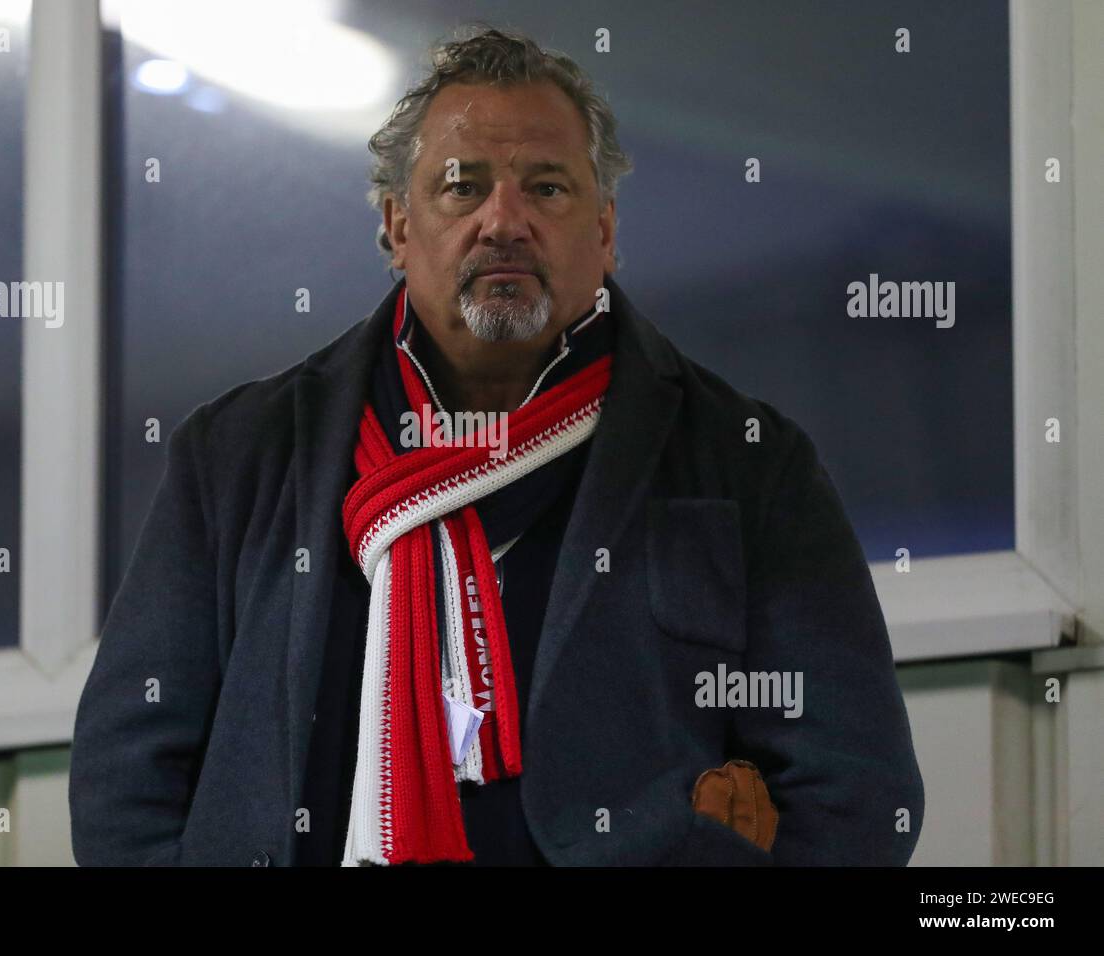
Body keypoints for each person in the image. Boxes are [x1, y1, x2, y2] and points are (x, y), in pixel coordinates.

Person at [69, 25, 924, 867]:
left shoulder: (747, 463)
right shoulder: (238, 458)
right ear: (399, 227)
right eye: (460, 186)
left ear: (606, 230)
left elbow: (856, 788)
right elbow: (126, 782)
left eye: (547, 189)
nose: (504, 220)